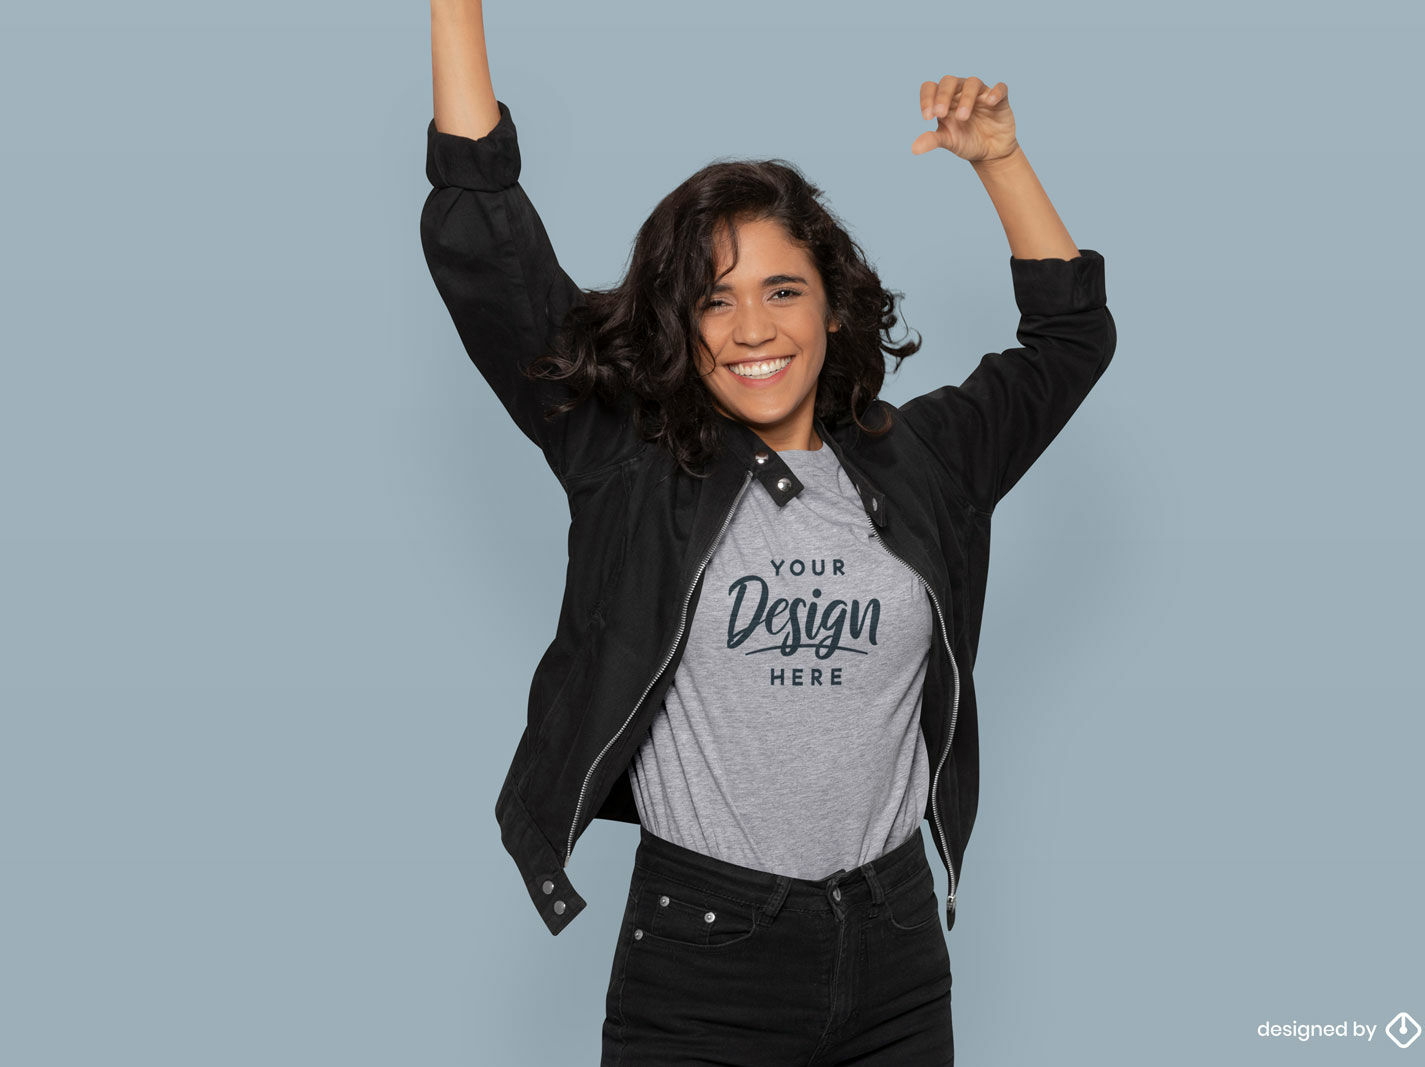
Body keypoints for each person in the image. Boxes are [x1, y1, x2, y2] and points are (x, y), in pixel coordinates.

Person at [421, 2, 1117, 1062]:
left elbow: (1068, 339)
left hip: (893, 948)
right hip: (703, 960)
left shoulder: (923, 461)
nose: (752, 328)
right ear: (677, 324)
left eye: (782, 290)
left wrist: (1002, 160)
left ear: (833, 307)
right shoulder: (629, 460)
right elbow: (485, 236)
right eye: (714, 300)